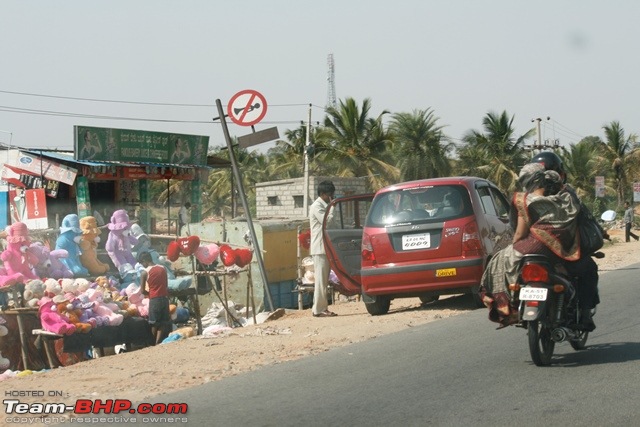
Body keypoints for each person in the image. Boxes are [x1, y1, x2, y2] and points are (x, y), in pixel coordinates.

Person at [480, 163, 580, 327]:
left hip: (533, 246)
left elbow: (519, 233)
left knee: (498, 261)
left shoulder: (524, 200)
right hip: (561, 248)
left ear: (529, 180)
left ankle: (508, 306)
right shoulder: (565, 197)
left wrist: (512, 246)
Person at [532, 150, 602, 331]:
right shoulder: (568, 196)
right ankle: (585, 313)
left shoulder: (523, 198)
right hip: (563, 256)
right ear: (560, 174)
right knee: (589, 268)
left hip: (531, 254)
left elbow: (514, 229)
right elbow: (584, 220)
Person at [309, 180, 337, 317]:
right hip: (320, 248)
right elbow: (328, 220)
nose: (331, 197)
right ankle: (319, 310)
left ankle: (319, 307)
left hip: (324, 247)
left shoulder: (323, 205)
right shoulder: (317, 206)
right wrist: (332, 206)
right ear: (322, 194)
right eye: (329, 194)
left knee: (323, 280)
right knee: (321, 280)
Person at [138, 251, 171, 345]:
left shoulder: (145, 273)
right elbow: (166, 285)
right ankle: (158, 342)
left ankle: (152, 343)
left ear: (144, 261)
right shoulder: (162, 268)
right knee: (163, 322)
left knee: (153, 323)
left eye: (142, 263)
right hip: (164, 298)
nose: (142, 265)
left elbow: (142, 291)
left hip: (154, 299)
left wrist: (149, 294)